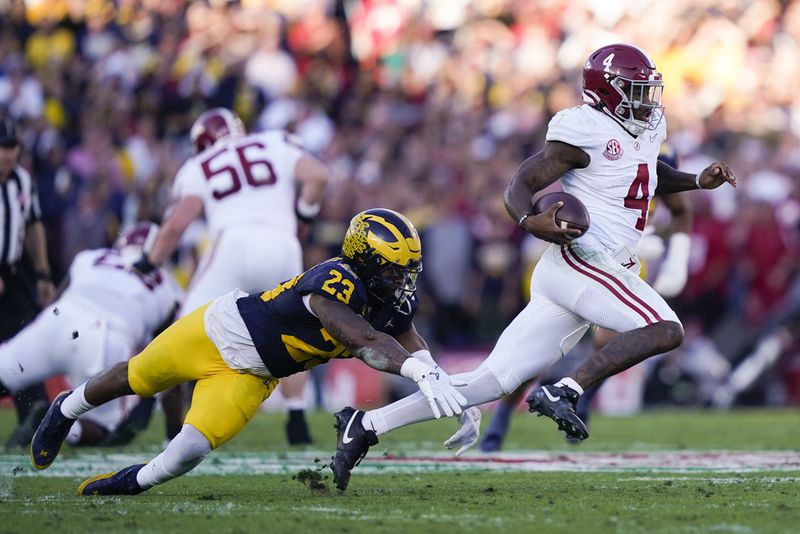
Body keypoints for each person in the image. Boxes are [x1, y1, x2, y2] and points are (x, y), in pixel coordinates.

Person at [328, 43, 737, 490]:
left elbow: (645, 172)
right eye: (634, 90)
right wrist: (527, 219)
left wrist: (697, 181)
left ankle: (366, 426)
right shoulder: (582, 128)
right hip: (583, 259)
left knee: (490, 382)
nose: (645, 100)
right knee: (666, 328)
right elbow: (522, 181)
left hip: (584, 271)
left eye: (646, 90)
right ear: (606, 91)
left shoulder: (644, 127)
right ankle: (569, 390)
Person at [30, 208, 467, 496]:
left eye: (407, 269)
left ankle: (129, 483)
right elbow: (363, 340)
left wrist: (444, 385)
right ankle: (66, 408)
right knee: (139, 376)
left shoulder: (391, 301)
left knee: (189, 450)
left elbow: (412, 344)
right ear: (366, 261)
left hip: (254, 374)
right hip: (219, 330)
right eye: (393, 269)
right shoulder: (335, 280)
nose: (402, 280)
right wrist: (416, 372)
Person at [134, 107, 330, 445]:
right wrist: (304, 216)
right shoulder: (273, 141)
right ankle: (297, 418)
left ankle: (145, 402)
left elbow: (176, 225)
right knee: (295, 330)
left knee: (184, 326)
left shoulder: (198, 165)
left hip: (233, 245)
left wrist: (149, 261)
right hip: (283, 243)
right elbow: (318, 177)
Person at [479, 145, 692, 452]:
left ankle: (581, 397)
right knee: (537, 351)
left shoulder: (658, 159)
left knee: (614, 340)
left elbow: (682, 210)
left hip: (624, 260)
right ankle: (502, 417)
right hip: (580, 255)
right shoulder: (608, 155)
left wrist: (677, 259)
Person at [0, 222, 183, 446]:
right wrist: (172, 429)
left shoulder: (90, 257)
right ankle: (51, 425)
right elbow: (168, 357)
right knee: (102, 430)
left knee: (4, 373)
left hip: (58, 319)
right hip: (103, 336)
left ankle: (40, 415)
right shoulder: (167, 286)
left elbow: (54, 303)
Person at [0, 117, 57, 447]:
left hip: (13, 272)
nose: (7, 155)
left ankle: (33, 419)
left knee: (24, 341)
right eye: (2, 148)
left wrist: (43, 273)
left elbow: (34, 226)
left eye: (12, 148)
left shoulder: (22, 180)